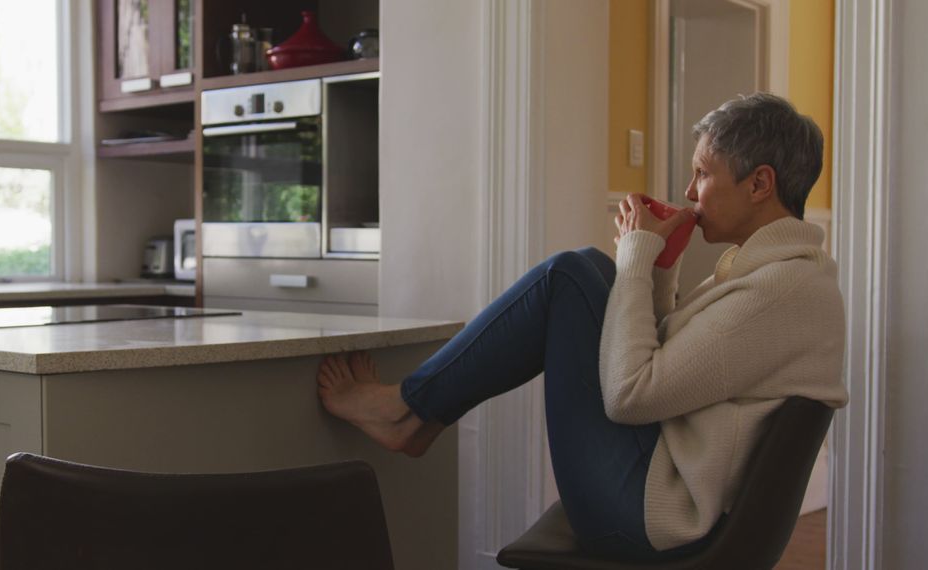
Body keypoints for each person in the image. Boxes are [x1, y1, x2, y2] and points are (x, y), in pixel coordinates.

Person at [315, 92, 849, 560]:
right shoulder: (780, 274)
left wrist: (638, 258)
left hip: (652, 519)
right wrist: (658, 270)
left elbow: (631, 392)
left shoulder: (779, 290)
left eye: (704, 173)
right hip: (665, 487)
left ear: (760, 183)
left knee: (570, 276)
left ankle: (408, 412)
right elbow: (670, 359)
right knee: (591, 267)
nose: (690, 191)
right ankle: (417, 415)